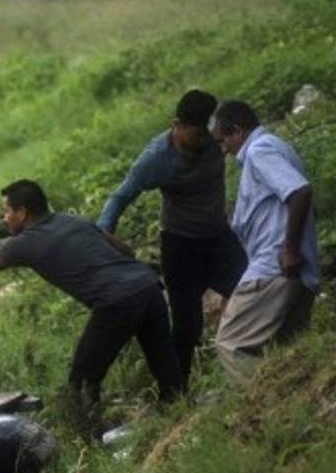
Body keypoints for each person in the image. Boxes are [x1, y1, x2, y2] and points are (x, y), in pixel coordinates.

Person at [0, 179, 183, 436]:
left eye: (6, 212)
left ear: (22, 213)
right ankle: (179, 418)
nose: (4, 218)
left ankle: (89, 442)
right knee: (164, 365)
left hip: (116, 301)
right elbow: (123, 248)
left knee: (81, 382)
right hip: (147, 286)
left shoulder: (25, 242)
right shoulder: (71, 220)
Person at [96, 89, 247, 385]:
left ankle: (268, 359)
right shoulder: (157, 159)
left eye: (209, 135)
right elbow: (119, 197)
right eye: (195, 135)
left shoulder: (216, 140)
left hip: (218, 237)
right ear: (175, 124)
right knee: (186, 327)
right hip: (181, 246)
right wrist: (103, 236)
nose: (204, 142)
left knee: (253, 292)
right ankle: (175, 396)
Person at [209, 100, 319, 379]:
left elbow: (300, 192)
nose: (222, 150)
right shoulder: (275, 147)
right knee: (282, 350)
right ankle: (292, 406)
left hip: (274, 266)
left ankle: (262, 407)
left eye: (222, 141)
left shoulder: (259, 151)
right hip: (289, 268)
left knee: (232, 344)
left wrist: (289, 250)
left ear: (236, 131)